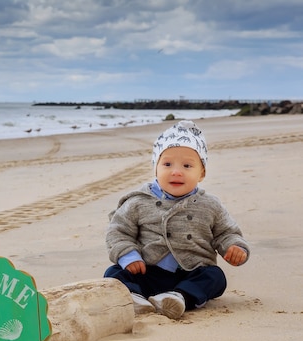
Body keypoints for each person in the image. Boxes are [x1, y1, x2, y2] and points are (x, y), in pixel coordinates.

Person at [104, 120, 249, 319]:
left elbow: (226, 232)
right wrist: (129, 256)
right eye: (167, 164)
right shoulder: (138, 201)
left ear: (202, 173)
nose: (176, 171)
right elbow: (118, 231)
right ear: (156, 168)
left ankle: (179, 298)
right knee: (113, 272)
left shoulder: (210, 204)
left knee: (215, 277)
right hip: (147, 270)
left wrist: (234, 247)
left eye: (187, 165)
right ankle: (133, 297)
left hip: (191, 272)